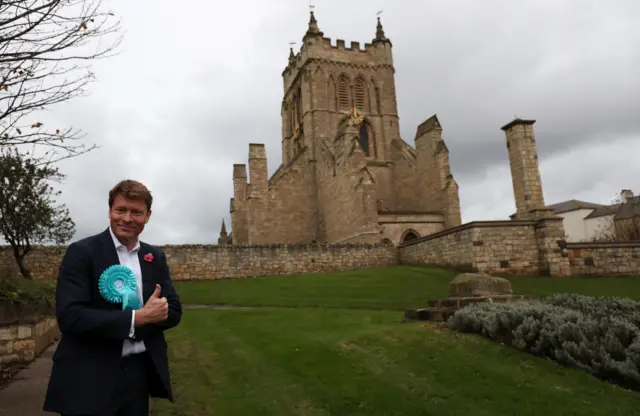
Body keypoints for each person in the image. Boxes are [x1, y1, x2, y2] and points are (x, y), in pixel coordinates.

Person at [43, 179, 182, 416]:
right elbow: (70, 317)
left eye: (136, 212)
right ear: (110, 211)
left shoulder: (154, 257)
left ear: (147, 216)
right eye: (121, 210)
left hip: (139, 374)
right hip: (88, 374)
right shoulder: (82, 252)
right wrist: (137, 319)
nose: (127, 218)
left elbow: (174, 310)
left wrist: (154, 315)